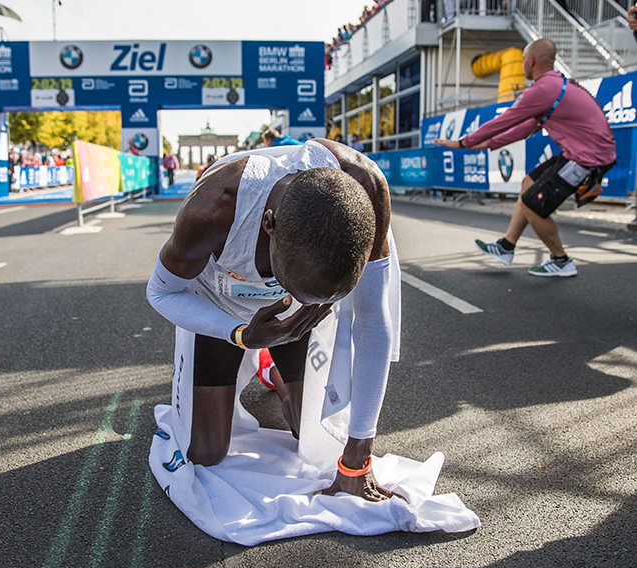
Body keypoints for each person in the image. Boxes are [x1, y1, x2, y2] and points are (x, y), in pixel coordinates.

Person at [146, 138, 401, 502]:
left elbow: (374, 319)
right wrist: (239, 334)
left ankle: (273, 371)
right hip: (224, 311)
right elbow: (160, 292)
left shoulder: (367, 188)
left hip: (299, 321)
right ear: (269, 225)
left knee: (320, 442)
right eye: (288, 281)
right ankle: (259, 352)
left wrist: (357, 460)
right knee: (205, 454)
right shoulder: (213, 209)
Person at [435, 39, 616, 278]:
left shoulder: (543, 89)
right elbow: (526, 127)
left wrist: (463, 142)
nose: (521, 66)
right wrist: (488, 144)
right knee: (528, 184)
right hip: (581, 153)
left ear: (531, 61)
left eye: (522, 61)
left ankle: (561, 260)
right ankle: (506, 247)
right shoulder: (555, 85)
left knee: (533, 204)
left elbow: (506, 120)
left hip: (588, 159)